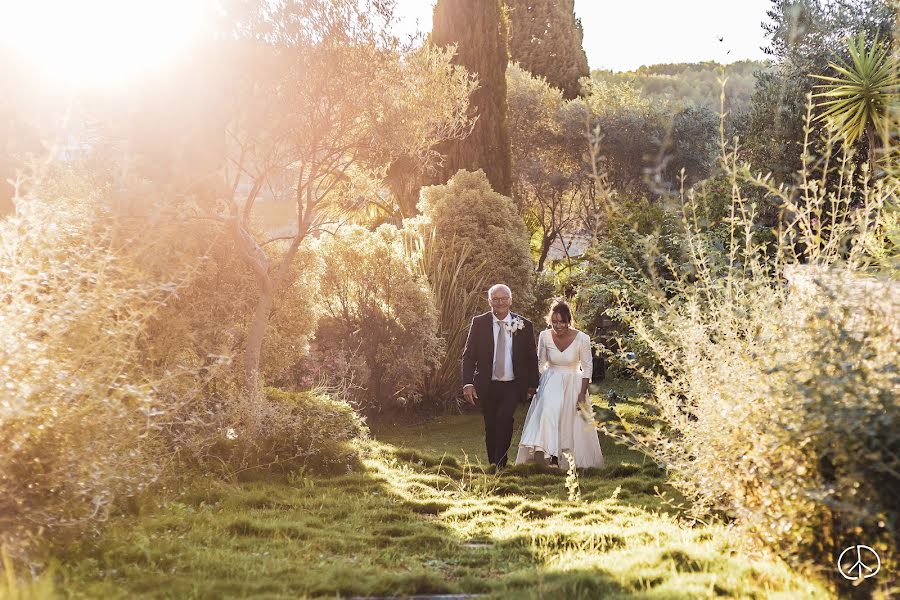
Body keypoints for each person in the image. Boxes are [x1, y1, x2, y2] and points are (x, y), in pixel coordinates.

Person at [515, 299, 605, 470]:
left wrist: (582, 394)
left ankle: (563, 459)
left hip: (573, 382)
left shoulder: (582, 338)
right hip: (551, 380)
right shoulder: (544, 336)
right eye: (554, 322)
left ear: (568, 320)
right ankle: (550, 456)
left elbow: (587, 367)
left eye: (561, 322)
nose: (558, 326)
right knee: (549, 413)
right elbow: (540, 363)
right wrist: (538, 385)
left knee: (567, 420)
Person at [462, 284, 539, 469]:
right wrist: (467, 383)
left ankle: (501, 464)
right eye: (495, 299)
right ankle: (493, 463)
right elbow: (469, 354)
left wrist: (532, 385)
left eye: (504, 298)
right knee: (490, 423)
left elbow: (531, 356)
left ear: (510, 300)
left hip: (513, 384)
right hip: (487, 383)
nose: (500, 302)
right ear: (489, 302)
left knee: (504, 417)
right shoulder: (479, 323)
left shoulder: (524, 325)